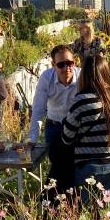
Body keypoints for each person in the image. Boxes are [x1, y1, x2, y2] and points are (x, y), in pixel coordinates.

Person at [61, 51, 110, 214]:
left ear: (83, 75)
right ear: (107, 72)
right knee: (108, 219)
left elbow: (66, 138)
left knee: (88, 219)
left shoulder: (81, 101)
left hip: (88, 167)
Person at [26, 45, 82, 195]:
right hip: (55, 127)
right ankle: (56, 205)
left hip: (77, 129)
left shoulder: (82, 77)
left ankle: (72, 204)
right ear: (53, 65)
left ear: (74, 62)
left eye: (69, 63)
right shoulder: (47, 77)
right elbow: (38, 109)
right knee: (58, 167)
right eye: (61, 64)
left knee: (76, 168)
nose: (66, 68)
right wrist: (32, 138)